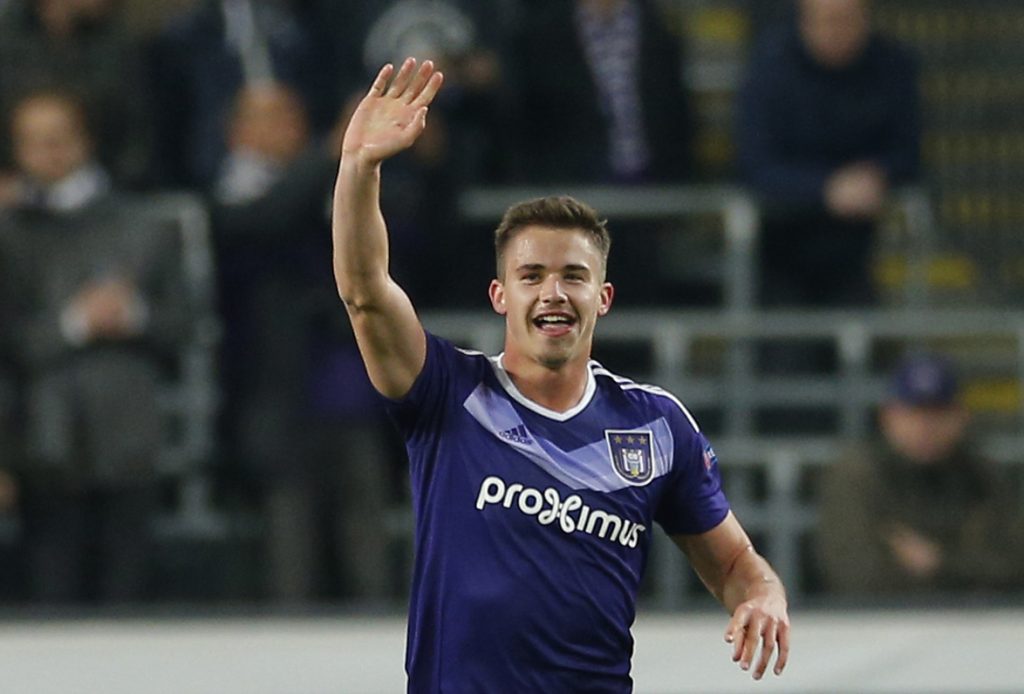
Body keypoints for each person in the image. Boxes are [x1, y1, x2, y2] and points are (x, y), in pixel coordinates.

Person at [333, 57, 790, 689]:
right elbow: (365, 292)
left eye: (573, 276)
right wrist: (359, 167)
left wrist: (763, 594)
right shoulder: (449, 393)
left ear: (602, 297)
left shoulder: (655, 426)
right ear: (500, 296)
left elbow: (735, 560)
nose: (553, 292)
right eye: (532, 276)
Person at [0, 89, 190, 603]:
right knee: (50, 609)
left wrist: (135, 316)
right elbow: (9, 341)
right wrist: (73, 323)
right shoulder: (10, 233)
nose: (49, 152)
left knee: (127, 611)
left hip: (128, 442)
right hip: (44, 446)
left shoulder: (145, 225)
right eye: (34, 142)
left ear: (85, 140)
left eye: (59, 138)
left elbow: (182, 327)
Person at [735, 0, 920, 307]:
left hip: (855, 250)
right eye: (827, 20)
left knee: (861, 332)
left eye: (847, 20)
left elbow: (907, 152)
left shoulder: (891, 66)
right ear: (804, 21)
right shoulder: (770, 66)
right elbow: (754, 165)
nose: (837, 31)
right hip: (780, 248)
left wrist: (876, 174)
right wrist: (826, 188)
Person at [817, 353, 1024, 595]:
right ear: (888, 416)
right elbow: (857, 576)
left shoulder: (985, 477)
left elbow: (1014, 566)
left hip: (983, 624)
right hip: (880, 627)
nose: (925, 426)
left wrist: (940, 564)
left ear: (961, 416)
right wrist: (963, 572)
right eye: (913, 412)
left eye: (938, 412)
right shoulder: (856, 477)